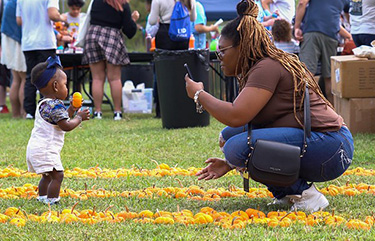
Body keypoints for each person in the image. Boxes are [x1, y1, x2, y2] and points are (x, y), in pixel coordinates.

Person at [185, 0, 354, 212]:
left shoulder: (267, 67)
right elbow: (242, 122)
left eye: (222, 52)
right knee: (228, 137)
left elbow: (236, 115)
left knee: (236, 146)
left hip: (332, 146)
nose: (220, 58)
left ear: (242, 47)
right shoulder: (261, 66)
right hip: (324, 144)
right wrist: (229, 164)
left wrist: (199, 94)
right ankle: (285, 193)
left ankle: (306, 194)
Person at [26, 55, 90, 205]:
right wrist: (79, 117)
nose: (67, 89)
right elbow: (66, 126)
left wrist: (72, 109)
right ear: (55, 86)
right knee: (57, 176)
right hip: (46, 149)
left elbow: (61, 119)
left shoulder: (45, 103)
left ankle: (42, 197)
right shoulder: (54, 105)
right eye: (65, 84)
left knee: (47, 176)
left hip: (36, 148)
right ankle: (53, 201)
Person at [82, 0, 139, 120]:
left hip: (93, 35)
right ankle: (117, 112)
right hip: (112, 36)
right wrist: (133, 19)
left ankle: (98, 112)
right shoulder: (123, 4)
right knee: (114, 78)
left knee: (97, 78)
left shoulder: (96, 2)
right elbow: (129, 31)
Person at [16, 0, 67, 119]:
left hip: (28, 43)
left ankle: (29, 111)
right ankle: (47, 109)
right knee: (50, 77)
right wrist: (63, 17)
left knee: (30, 77)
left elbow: (19, 20)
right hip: (45, 42)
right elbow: (53, 15)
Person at [294, 0, 350, 104]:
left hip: (312, 31)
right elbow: (346, 15)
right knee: (330, 77)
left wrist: (297, 27)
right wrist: (349, 34)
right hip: (332, 35)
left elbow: (302, 2)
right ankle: (333, 113)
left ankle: (304, 109)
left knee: (306, 74)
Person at [148, 0, 196, 118]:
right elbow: (193, 18)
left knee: (162, 74)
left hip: (165, 35)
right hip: (182, 35)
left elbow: (152, 21)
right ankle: (182, 106)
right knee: (181, 73)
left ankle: (161, 110)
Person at [1, 0, 27, 118]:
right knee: (24, 78)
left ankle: (16, 114)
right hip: (17, 40)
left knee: (16, 78)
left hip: (8, 37)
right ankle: (24, 112)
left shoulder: (11, 2)